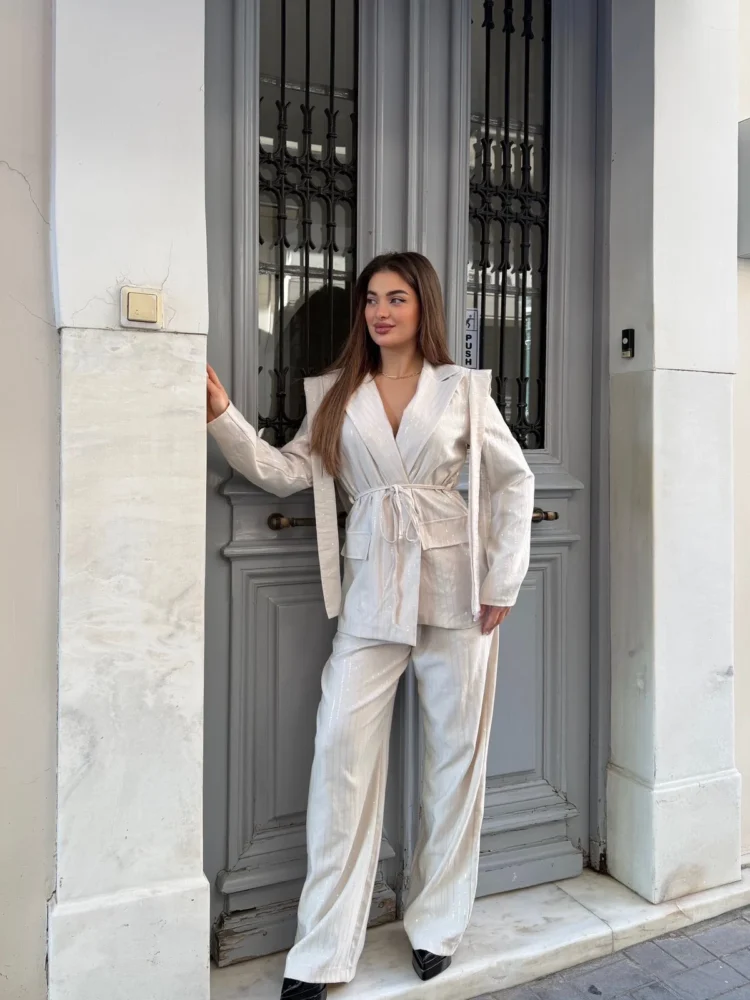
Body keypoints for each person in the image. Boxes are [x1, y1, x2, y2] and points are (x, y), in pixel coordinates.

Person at [206, 252, 534, 1000]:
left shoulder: (463, 390)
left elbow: (513, 480)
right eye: (371, 299)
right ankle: (322, 950)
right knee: (341, 758)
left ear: (424, 307)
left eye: (397, 298)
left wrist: (502, 578)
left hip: (456, 590)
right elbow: (286, 472)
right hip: (371, 593)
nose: (381, 311)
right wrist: (223, 415)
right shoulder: (335, 394)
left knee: (456, 757)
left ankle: (437, 924)